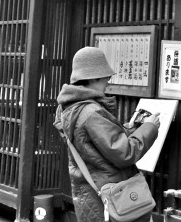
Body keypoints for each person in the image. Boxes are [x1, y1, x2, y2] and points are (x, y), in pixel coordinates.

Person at [54, 46, 162, 222]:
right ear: (94, 77)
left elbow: (98, 145)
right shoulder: (91, 112)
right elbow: (124, 153)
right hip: (112, 197)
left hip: (91, 192)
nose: (108, 81)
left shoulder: (68, 108)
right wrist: (150, 127)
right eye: (107, 77)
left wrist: (130, 128)